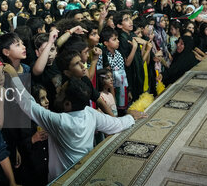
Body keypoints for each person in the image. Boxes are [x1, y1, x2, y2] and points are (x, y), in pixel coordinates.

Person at [9, 73, 145, 183]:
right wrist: (130, 117)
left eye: (60, 92)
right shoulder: (89, 113)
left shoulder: (59, 122)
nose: (56, 93)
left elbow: (27, 103)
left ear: (67, 104)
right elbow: (117, 125)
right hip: (86, 173)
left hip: (62, 180)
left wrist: (13, 75)